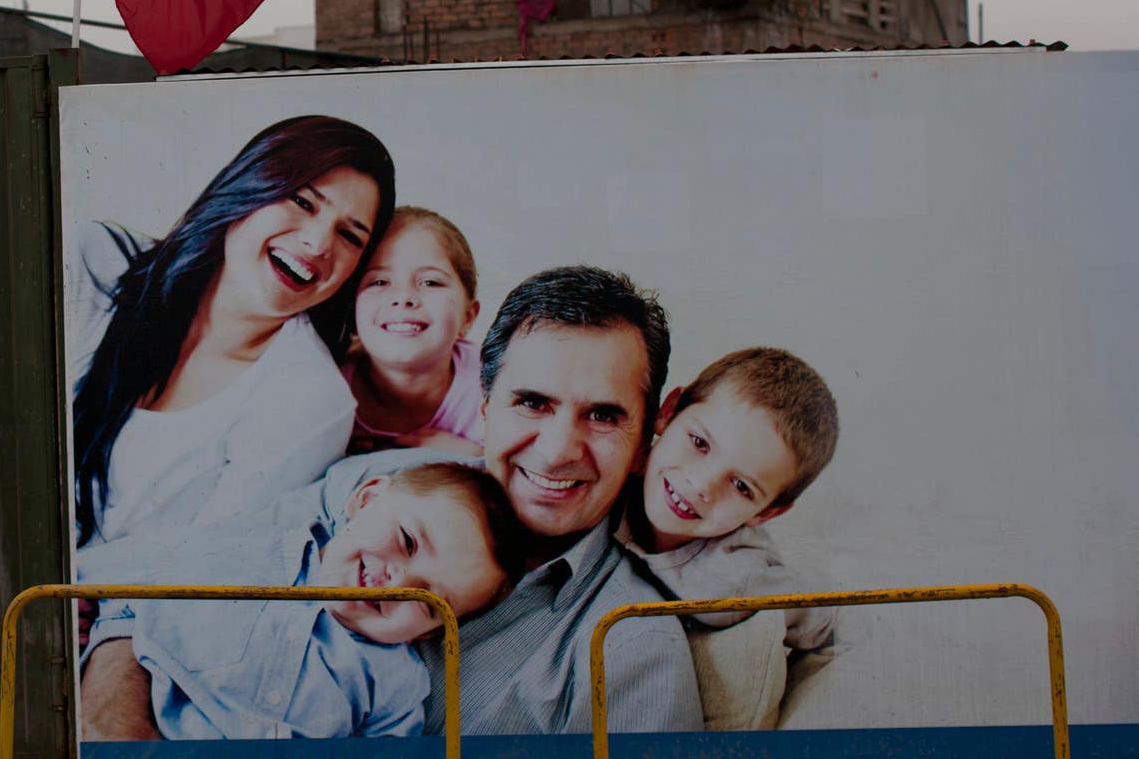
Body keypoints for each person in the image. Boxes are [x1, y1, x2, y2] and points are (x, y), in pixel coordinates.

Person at [81, 266, 704, 738]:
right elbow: (166, 588)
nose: (559, 449)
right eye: (532, 403)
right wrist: (115, 728)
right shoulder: (380, 483)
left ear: (646, 437)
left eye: (603, 415)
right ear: (485, 407)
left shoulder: (631, 646)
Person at [68, 115, 396, 548]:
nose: (318, 244)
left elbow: (204, 561)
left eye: (350, 236)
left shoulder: (309, 401)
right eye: (302, 201)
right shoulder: (92, 260)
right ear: (249, 186)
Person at [83, 463, 527, 739]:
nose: (399, 581)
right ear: (367, 499)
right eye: (407, 541)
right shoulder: (242, 548)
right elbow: (120, 569)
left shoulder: (396, 685)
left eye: (427, 601)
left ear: (429, 632)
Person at [619, 347, 840, 650]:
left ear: (766, 513)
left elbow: (823, 625)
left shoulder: (740, 578)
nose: (701, 485)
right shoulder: (608, 476)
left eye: (740, 486)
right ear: (669, 411)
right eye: (700, 443)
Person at [342, 208, 484, 456]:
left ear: (468, 316)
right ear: (352, 310)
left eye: (430, 282)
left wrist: (476, 459)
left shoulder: (493, 388)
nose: (403, 297)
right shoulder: (328, 382)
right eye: (379, 282)